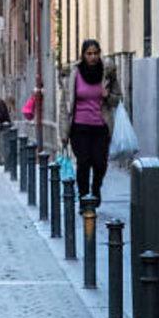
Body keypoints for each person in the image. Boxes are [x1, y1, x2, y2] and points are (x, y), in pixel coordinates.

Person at [59, 39, 123, 205]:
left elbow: (117, 99)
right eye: (89, 54)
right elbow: (64, 105)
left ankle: (95, 189)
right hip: (79, 127)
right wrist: (64, 132)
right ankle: (83, 198)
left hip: (101, 127)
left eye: (95, 53)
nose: (93, 57)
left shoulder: (107, 73)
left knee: (100, 163)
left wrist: (107, 96)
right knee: (83, 162)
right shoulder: (75, 74)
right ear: (83, 55)